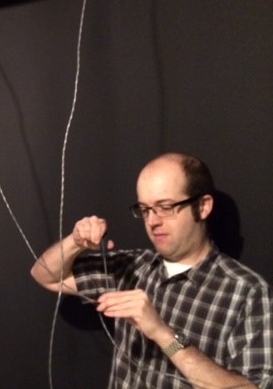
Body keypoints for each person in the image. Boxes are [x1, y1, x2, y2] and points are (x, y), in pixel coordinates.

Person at [31, 153, 273, 388]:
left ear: (202, 206)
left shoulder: (247, 292)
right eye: (145, 209)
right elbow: (46, 275)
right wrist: (75, 242)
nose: (153, 221)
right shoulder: (133, 266)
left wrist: (163, 334)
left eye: (165, 207)